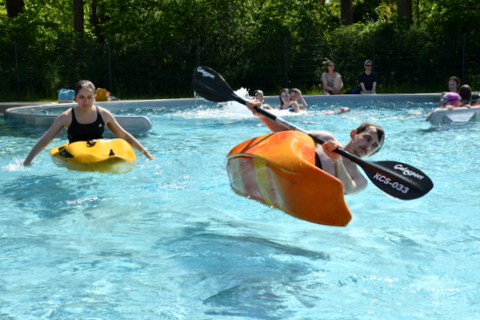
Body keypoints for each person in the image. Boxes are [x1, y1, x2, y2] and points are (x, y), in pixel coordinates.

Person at [245, 99, 385, 195]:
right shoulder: (324, 138)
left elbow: (346, 190)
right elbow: (284, 133)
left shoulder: (360, 180)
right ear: (353, 134)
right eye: (367, 138)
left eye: (374, 146)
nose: (368, 145)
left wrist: (337, 160)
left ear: (372, 154)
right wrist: (260, 114)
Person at [23, 80, 155, 166]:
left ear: (94, 97)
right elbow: (45, 140)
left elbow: (124, 136)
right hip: (78, 158)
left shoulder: (103, 114)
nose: (86, 102)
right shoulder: (66, 117)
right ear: (75, 98)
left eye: (89, 97)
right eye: (81, 97)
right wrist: (27, 161)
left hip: (100, 155)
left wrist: (147, 154)